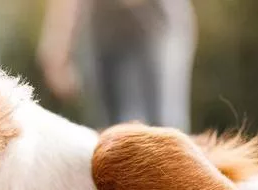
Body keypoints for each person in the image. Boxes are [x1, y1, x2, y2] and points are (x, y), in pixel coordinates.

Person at [38, 0, 197, 131]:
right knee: (110, 130)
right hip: (103, 26)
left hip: (154, 20)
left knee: (164, 126)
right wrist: (57, 44)